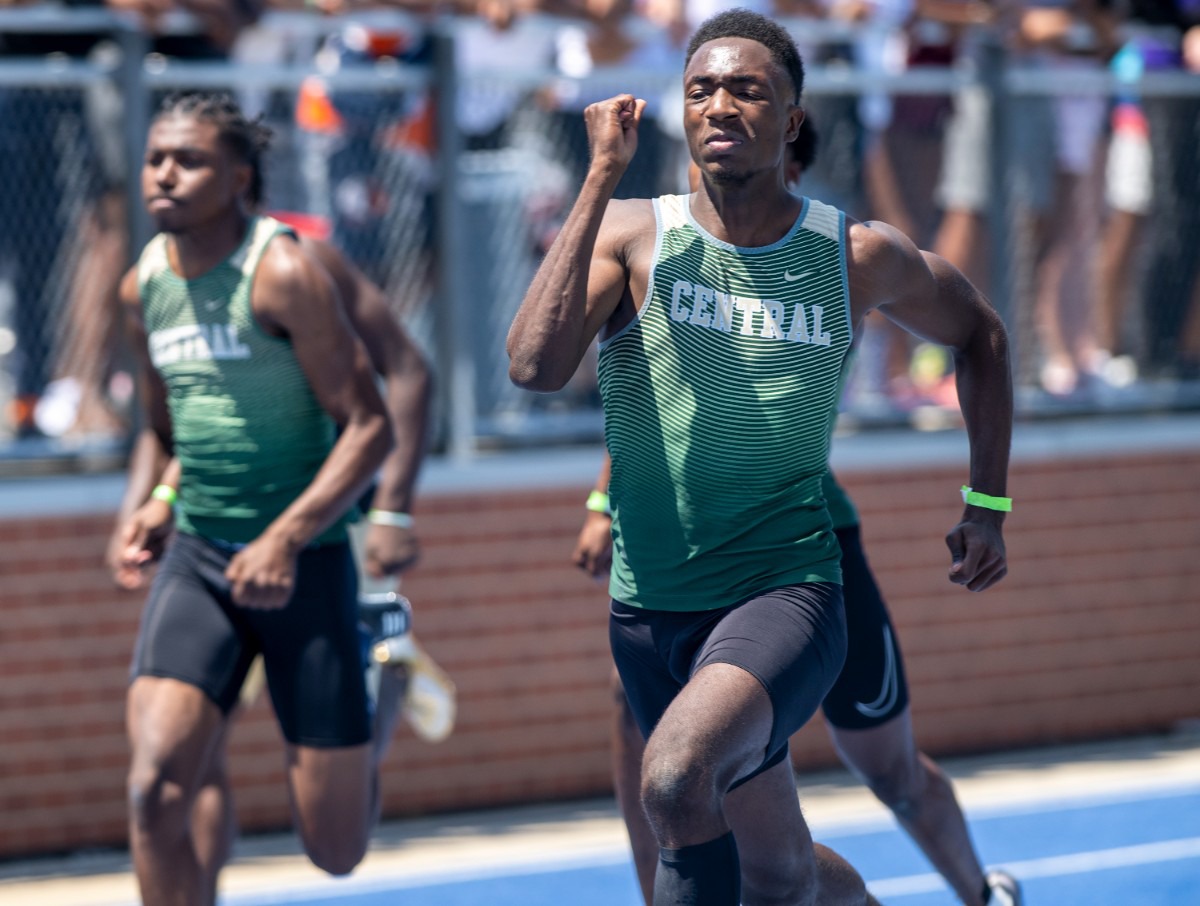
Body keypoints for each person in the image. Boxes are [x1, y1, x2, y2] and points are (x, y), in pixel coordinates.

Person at [507, 9, 1013, 905]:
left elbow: (980, 334)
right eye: (701, 88)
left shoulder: (852, 254)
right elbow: (532, 367)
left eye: (748, 88)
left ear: (791, 120)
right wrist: (597, 180)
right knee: (775, 870)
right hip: (650, 608)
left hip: (789, 591)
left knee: (671, 779)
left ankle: (978, 889)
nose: (720, 104)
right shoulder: (632, 235)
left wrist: (988, 503)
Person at [114, 90, 397, 906]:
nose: (165, 175)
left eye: (189, 160)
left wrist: (284, 537)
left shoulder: (282, 274)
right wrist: (151, 504)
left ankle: (379, 689)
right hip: (201, 559)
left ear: (239, 176)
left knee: (335, 853)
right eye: (155, 158)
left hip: (303, 565)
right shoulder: (144, 288)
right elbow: (162, 431)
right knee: (154, 787)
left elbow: (370, 427)